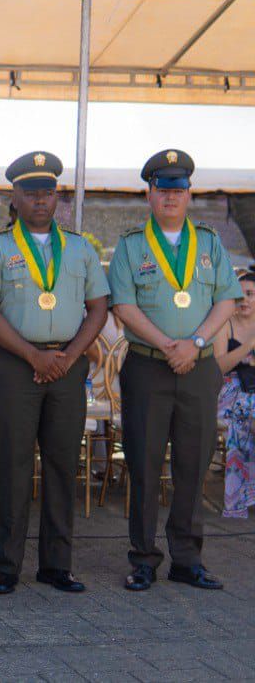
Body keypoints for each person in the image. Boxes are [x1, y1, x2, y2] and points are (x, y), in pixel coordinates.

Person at [0, 151, 109, 595]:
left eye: (48, 193)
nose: (41, 201)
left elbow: (99, 307)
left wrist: (67, 357)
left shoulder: (81, 248)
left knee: (63, 466)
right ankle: (6, 567)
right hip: (15, 367)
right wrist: (33, 356)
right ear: (16, 197)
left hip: (67, 366)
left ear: (57, 197)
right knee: (12, 465)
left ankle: (56, 565)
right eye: (31, 194)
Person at [108, 149, 242, 592]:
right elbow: (123, 305)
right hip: (149, 368)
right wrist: (168, 345)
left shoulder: (209, 243)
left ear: (189, 195)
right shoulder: (129, 246)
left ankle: (187, 558)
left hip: (200, 369)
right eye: (162, 189)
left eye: (178, 189)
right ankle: (143, 558)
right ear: (150, 194)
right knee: (144, 464)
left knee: (194, 463)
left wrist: (197, 342)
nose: (170, 197)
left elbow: (226, 299)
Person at [213, 272, 255, 518]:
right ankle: (239, 498)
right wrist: (247, 348)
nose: (244, 300)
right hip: (228, 391)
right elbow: (220, 366)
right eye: (239, 295)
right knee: (243, 417)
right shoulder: (224, 324)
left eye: (250, 294)